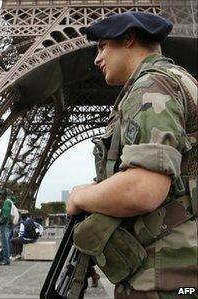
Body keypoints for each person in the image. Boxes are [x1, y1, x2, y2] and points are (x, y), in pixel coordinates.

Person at [66, 11, 197, 299]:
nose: (97, 59)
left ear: (128, 38)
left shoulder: (151, 87)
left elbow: (143, 190)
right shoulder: (182, 81)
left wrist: (79, 196)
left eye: (102, 46)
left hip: (165, 277)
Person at [0, 188, 17, 266]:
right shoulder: (11, 201)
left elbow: (5, 215)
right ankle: (1, 258)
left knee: (5, 243)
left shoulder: (6, 202)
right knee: (6, 242)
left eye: (1, 194)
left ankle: (6, 260)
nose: (0, 196)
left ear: (4, 194)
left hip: (4, 224)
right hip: (9, 224)